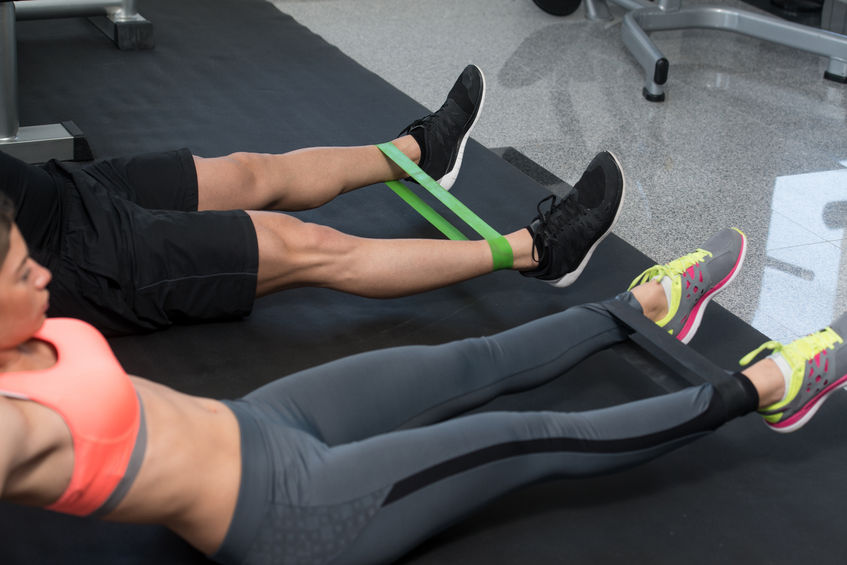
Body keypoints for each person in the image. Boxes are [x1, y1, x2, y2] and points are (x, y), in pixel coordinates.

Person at [3, 206, 844, 565]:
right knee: (529, 436)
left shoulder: (22, 324)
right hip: (292, 509)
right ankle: (766, 384)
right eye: (16, 268)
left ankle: (646, 303)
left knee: (467, 360)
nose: (40, 269)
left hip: (259, 420)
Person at [0, 64, 625, 336]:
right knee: (305, 247)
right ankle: (537, 252)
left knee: (249, 172)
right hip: (70, 261)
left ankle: (417, 152)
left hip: (51, 192)